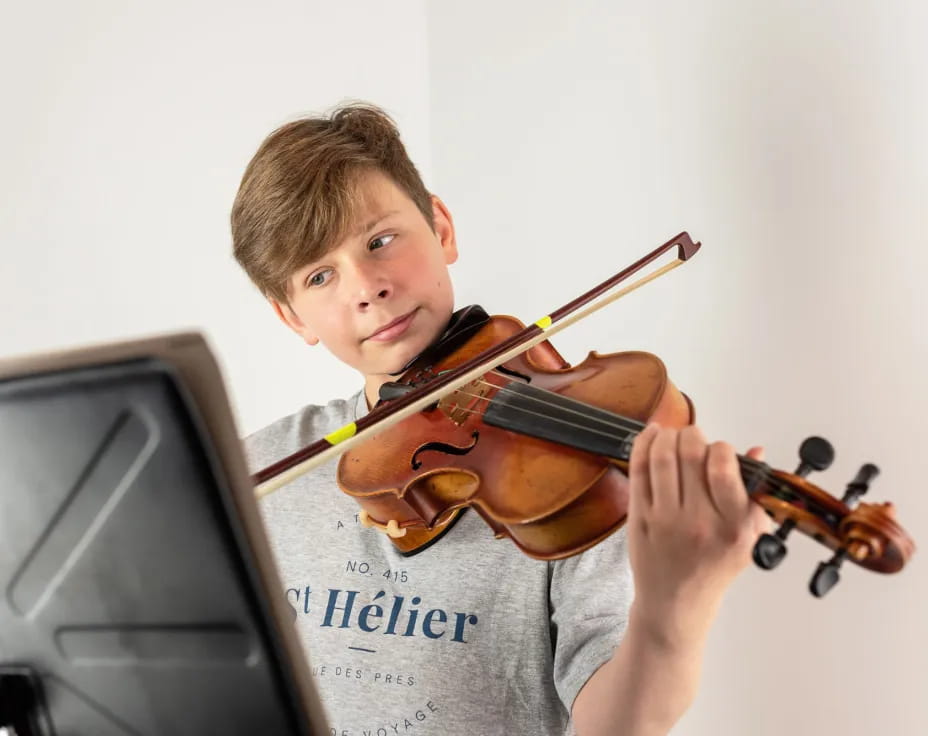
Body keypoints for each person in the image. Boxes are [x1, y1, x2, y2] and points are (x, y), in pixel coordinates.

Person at [230, 103, 768, 736]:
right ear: (292, 316)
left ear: (441, 226)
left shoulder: (561, 477)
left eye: (380, 241)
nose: (366, 287)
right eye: (320, 275)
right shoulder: (258, 473)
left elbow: (615, 725)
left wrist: (673, 613)